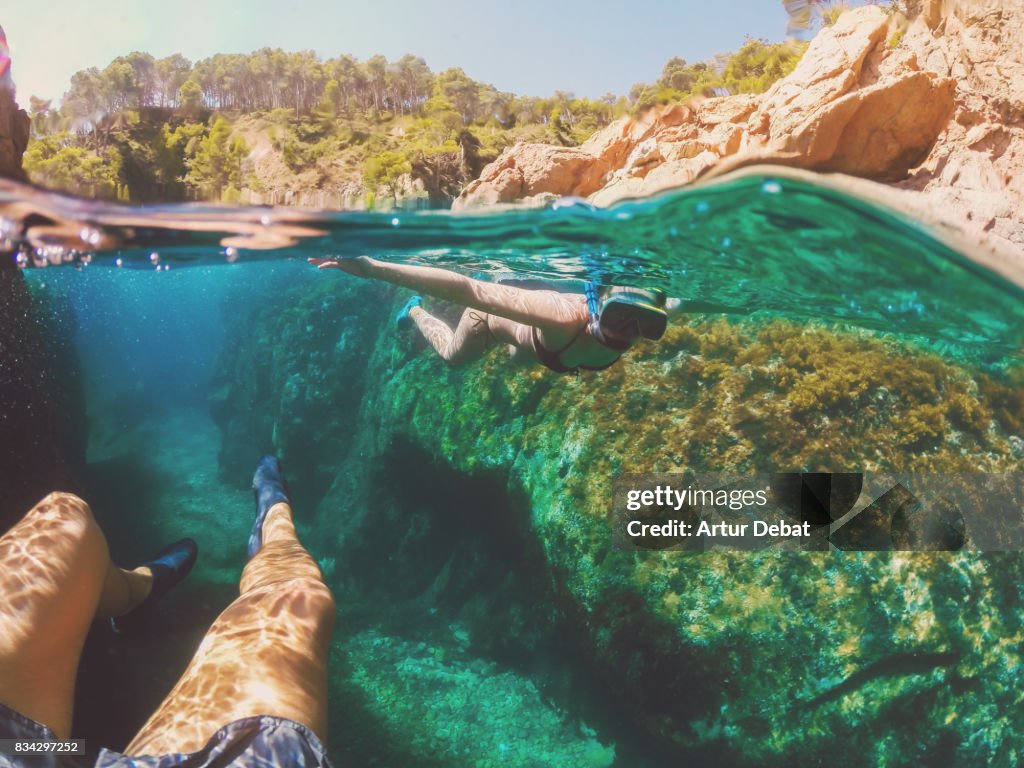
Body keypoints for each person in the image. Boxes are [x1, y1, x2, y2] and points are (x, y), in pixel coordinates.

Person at [0, 456, 336, 767]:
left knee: (62, 515)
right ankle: (275, 520)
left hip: (19, 749)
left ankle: (138, 591)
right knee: (297, 599)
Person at [309, 256, 670, 374]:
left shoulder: (635, 320)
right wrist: (373, 267)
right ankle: (414, 310)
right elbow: (469, 290)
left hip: (540, 347)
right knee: (453, 357)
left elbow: (686, 303)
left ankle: (518, 343)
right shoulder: (562, 318)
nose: (630, 331)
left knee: (518, 358)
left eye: (648, 325)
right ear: (595, 303)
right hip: (486, 322)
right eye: (619, 315)